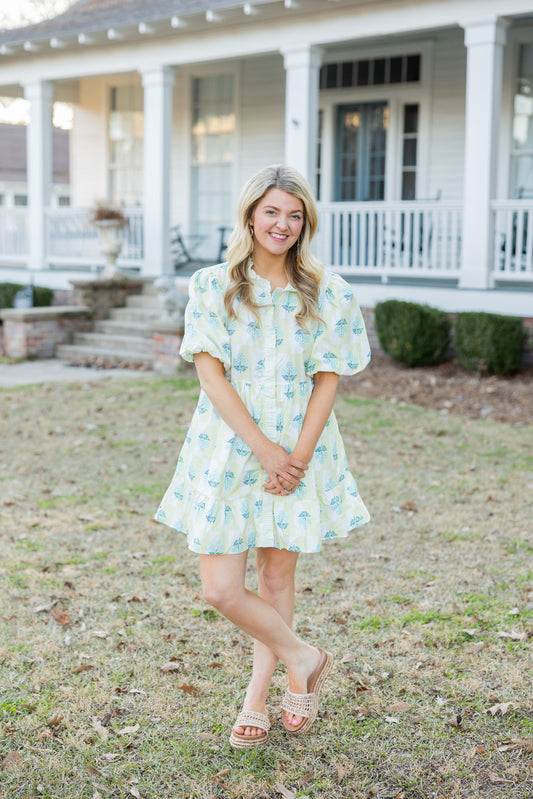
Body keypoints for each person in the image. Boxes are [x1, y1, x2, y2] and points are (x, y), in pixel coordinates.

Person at [155, 164, 371, 748]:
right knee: (221, 589)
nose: (283, 224)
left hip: (301, 450)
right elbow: (211, 377)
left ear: (306, 224)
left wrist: (295, 457)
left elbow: (328, 379)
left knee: (276, 576)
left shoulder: (328, 291)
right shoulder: (212, 286)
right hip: (228, 449)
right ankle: (303, 657)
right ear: (251, 215)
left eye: (295, 215)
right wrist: (265, 451)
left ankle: (257, 697)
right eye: (272, 211)